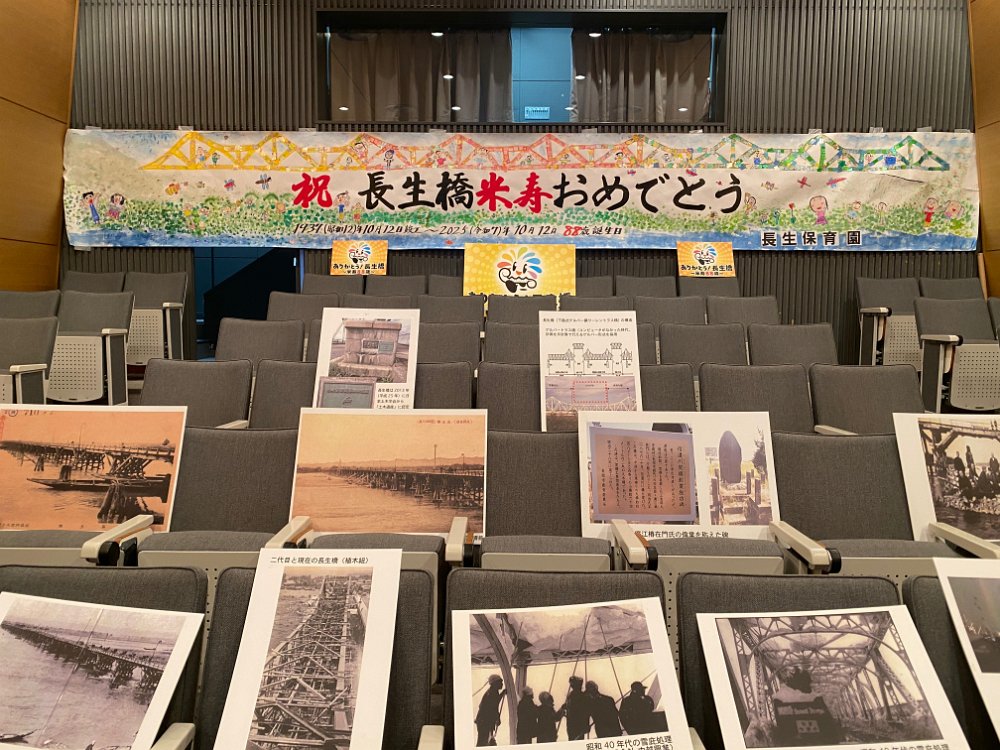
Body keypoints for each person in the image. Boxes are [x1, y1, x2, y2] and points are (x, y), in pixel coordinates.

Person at [476, 674, 505, 746]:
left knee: (484, 741)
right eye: (500, 682)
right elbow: (493, 707)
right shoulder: (491, 693)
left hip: (484, 721)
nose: (502, 684)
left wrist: (502, 693)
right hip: (484, 722)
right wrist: (497, 718)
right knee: (482, 742)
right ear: (494, 683)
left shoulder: (493, 691)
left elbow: (495, 702)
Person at [561, 675, 591, 740]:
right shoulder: (573, 696)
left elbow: (586, 712)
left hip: (578, 725)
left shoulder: (581, 696)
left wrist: (585, 725)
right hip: (573, 724)